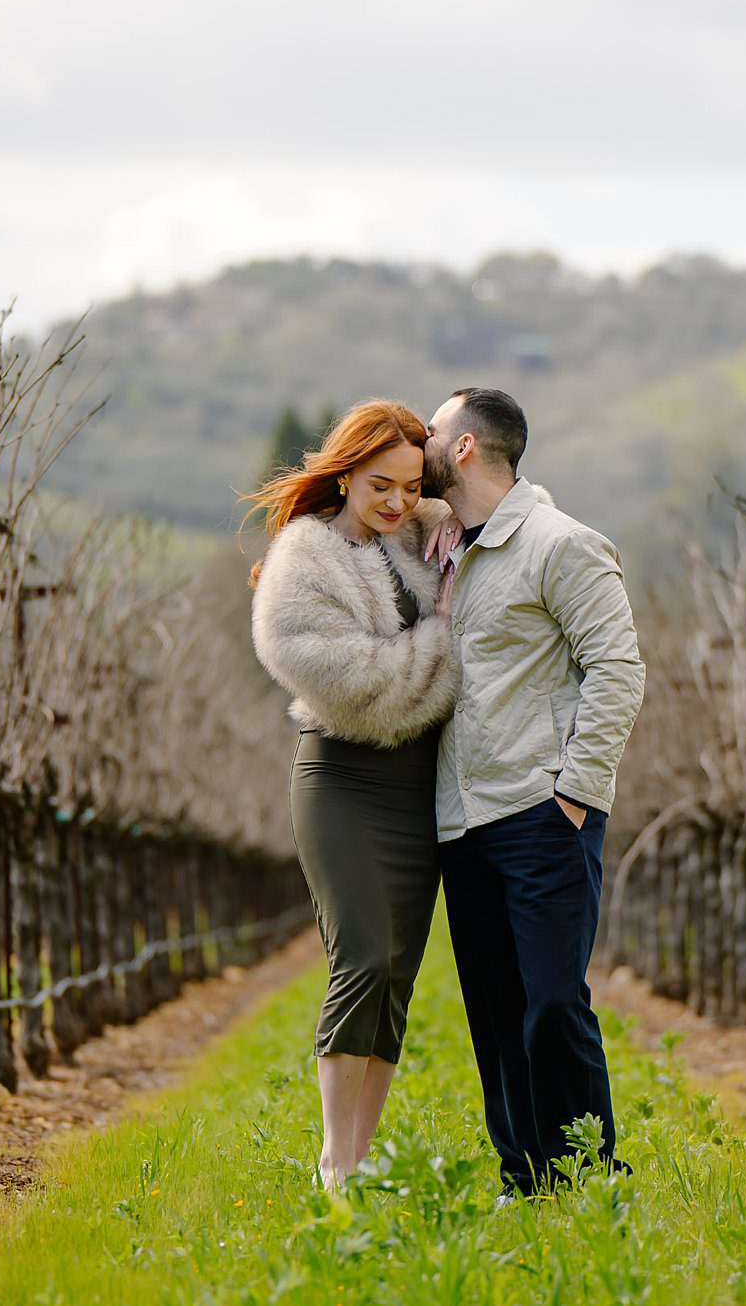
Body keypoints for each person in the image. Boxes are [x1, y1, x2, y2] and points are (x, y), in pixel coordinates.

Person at [420, 386, 645, 1196]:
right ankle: (525, 1180)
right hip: (460, 822)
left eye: (433, 427)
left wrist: (576, 792)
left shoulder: (561, 544)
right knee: (493, 1010)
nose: (422, 437)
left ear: (468, 447)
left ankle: (588, 1175)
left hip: (541, 812)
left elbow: (618, 669)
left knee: (553, 1001)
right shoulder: (442, 548)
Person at [244, 398, 463, 1188]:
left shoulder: (418, 531)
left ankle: (363, 1162)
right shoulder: (304, 562)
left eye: (412, 487)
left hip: (417, 788)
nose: (398, 501)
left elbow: (487, 501)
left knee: (398, 974)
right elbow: (357, 686)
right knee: (362, 957)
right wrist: (443, 638)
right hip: (343, 777)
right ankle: (335, 1161)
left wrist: (449, 523)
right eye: (381, 485)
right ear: (343, 472)